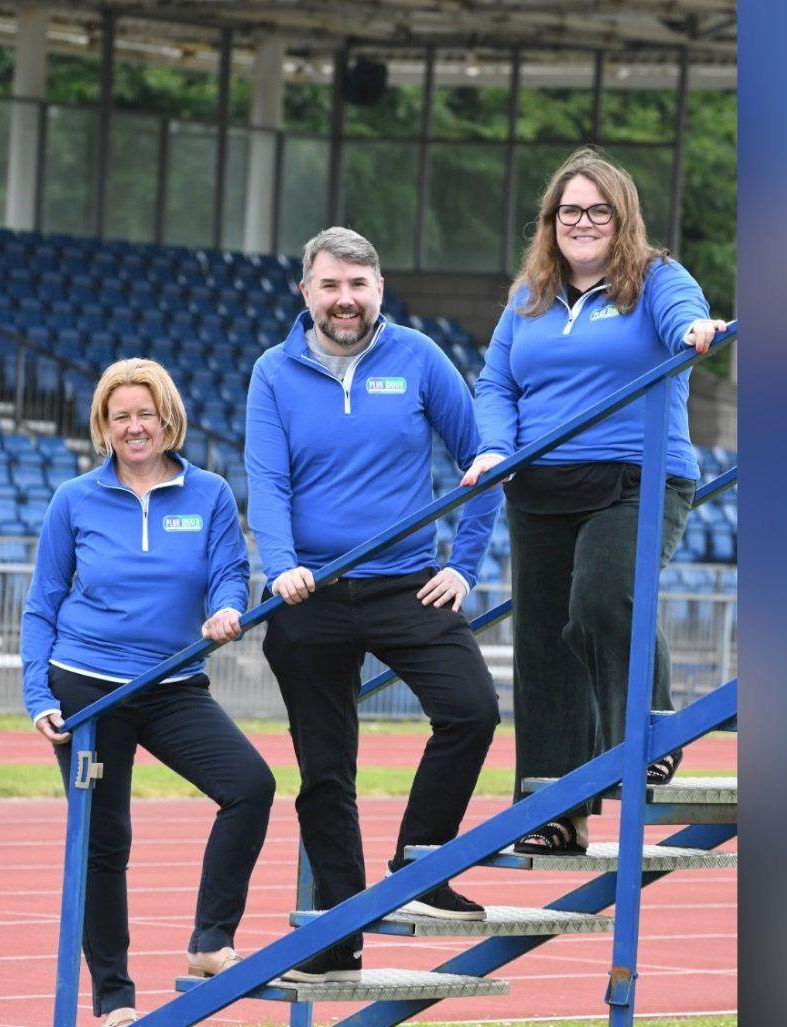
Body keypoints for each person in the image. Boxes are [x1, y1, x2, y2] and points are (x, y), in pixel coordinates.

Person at [247, 227, 506, 983]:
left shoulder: (421, 358)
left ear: (379, 288)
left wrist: (465, 566)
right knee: (326, 774)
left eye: (358, 286)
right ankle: (339, 937)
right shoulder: (274, 372)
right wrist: (284, 566)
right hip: (311, 596)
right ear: (307, 291)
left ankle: (419, 866)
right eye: (330, 286)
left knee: (472, 711)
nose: (345, 300)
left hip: (406, 584)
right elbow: (268, 481)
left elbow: (485, 463)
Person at [459, 148, 731, 857]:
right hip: (540, 486)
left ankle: (649, 726)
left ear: (622, 219)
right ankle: (555, 807)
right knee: (546, 644)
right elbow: (496, 386)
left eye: (597, 210)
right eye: (568, 211)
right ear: (550, 222)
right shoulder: (529, 298)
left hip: (636, 477)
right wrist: (493, 448)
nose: (582, 222)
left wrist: (695, 332)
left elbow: (684, 318)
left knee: (603, 595)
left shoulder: (658, 280)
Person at [23, 359, 274, 1027]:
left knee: (251, 783)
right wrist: (36, 693)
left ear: (169, 421)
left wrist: (227, 611)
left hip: (171, 684)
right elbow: (42, 602)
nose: (134, 427)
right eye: (120, 415)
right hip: (87, 688)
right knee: (107, 841)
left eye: (146, 414)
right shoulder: (74, 499)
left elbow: (230, 573)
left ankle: (210, 938)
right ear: (104, 425)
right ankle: (113, 999)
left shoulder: (211, 493)